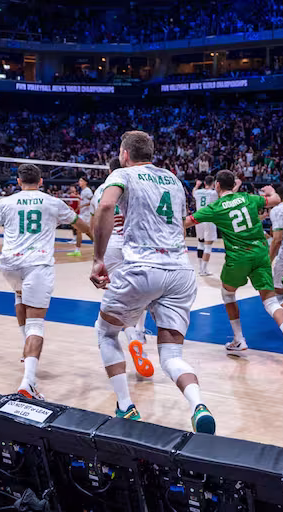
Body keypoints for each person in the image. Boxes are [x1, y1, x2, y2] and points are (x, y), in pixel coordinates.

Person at [90, 131, 215, 433]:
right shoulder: (172, 179)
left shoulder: (122, 174)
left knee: (106, 333)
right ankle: (198, 405)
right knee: (172, 355)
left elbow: (105, 207)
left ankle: (125, 405)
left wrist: (97, 258)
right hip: (180, 272)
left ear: (124, 154)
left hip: (143, 267)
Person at [0, 164, 90, 400]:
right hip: (37, 265)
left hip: (9, 265)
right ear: (41, 181)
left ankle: (24, 348)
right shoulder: (52, 202)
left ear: (18, 181)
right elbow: (82, 225)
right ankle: (29, 382)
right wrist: (98, 239)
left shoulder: (6, 202)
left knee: (19, 295)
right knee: (36, 324)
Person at [183, 170, 283, 355]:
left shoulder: (216, 207)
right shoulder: (248, 198)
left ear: (217, 185)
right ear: (233, 184)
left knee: (227, 294)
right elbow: (274, 200)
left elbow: (187, 222)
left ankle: (239, 339)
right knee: (270, 301)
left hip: (239, 256)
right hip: (260, 252)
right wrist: (270, 190)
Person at [92, 157, 152, 377]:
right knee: (139, 294)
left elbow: (96, 221)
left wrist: (97, 255)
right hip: (133, 242)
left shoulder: (101, 190)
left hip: (110, 246)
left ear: (109, 171)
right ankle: (139, 336)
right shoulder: (136, 183)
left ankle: (132, 337)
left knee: (118, 299)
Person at [192, 176, 220, 276]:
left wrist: (196, 185)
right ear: (213, 183)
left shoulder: (198, 192)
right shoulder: (213, 193)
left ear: (204, 183)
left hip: (198, 220)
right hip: (208, 220)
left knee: (200, 244)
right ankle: (204, 270)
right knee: (208, 246)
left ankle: (200, 268)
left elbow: (193, 191)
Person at [70, 176, 93, 256]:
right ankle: (77, 250)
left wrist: (82, 206)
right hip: (83, 213)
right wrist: (78, 197)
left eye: (81, 181)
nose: (79, 182)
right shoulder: (83, 191)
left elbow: (92, 200)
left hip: (86, 214)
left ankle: (77, 250)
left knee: (79, 230)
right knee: (86, 232)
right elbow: (85, 200)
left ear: (85, 182)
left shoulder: (87, 191)